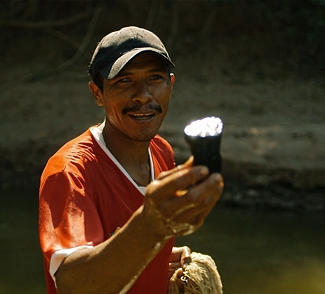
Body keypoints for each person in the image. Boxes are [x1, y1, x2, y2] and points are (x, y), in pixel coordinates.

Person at [38, 26, 224, 294]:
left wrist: (158, 252)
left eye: (155, 78)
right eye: (124, 81)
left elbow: (129, 248)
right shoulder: (70, 172)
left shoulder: (161, 151)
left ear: (170, 85)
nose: (143, 95)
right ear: (97, 93)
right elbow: (73, 285)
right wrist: (151, 230)